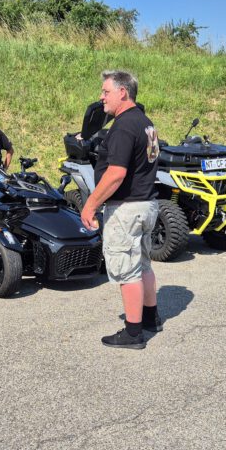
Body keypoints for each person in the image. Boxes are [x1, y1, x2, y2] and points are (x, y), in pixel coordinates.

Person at [79, 70, 161, 350]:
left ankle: (133, 332)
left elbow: (116, 174)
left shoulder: (124, 126)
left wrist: (90, 205)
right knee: (143, 264)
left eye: (106, 92)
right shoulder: (145, 122)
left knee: (127, 271)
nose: (101, 97)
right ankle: (150, 318)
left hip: (127, 208)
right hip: (146, 204)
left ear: (122, 92)